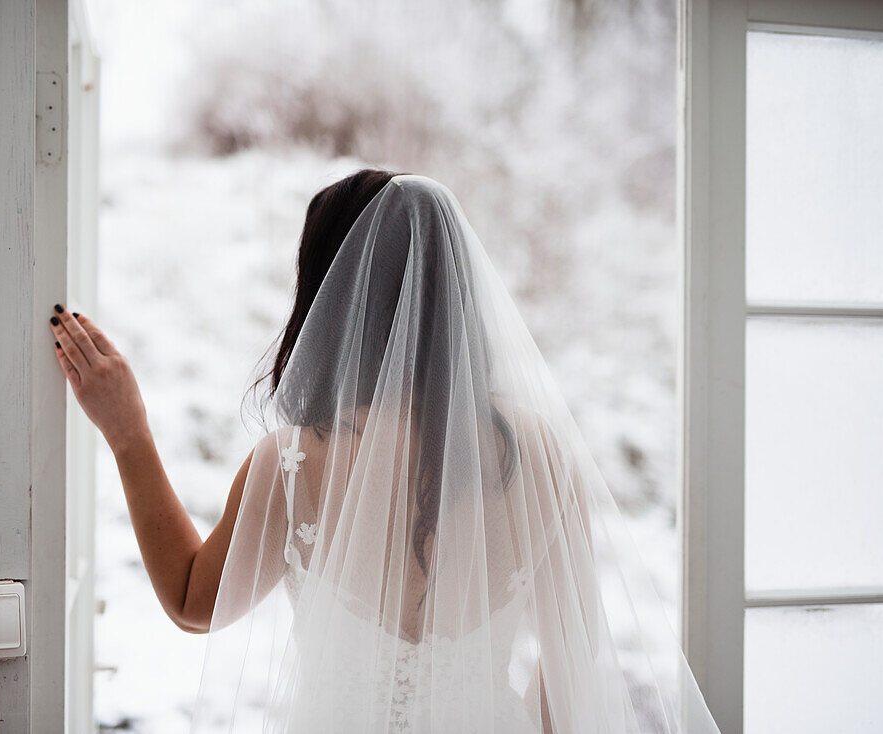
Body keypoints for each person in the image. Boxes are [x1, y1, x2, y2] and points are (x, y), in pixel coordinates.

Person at [49, 170, 722, 733]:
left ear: (328, 299)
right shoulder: (539, 452)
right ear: (457, 293)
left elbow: (195, 601)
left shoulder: (292, 463)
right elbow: (575, 661)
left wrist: (128, 435)